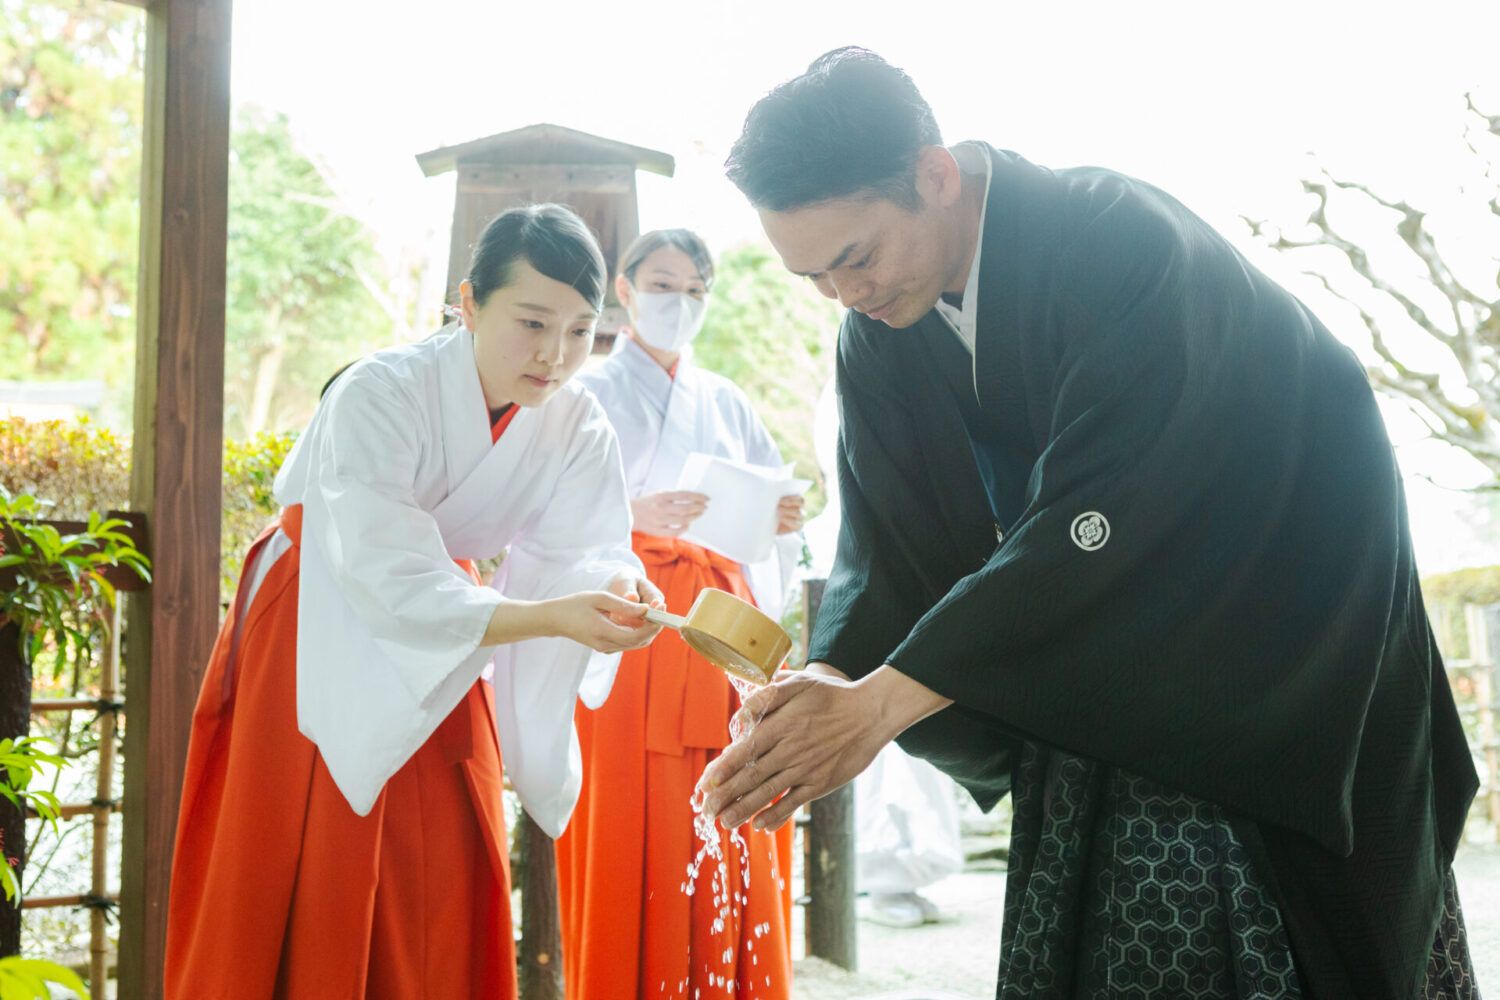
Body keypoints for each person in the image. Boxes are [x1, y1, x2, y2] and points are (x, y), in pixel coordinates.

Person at [700, 48, 1481, 999]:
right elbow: (887, 540)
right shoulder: (881, 330)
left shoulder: (1120, 239)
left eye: (855, 258)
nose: (846, 295)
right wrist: (830, 684)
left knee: (1276, 930)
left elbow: (1111, 506)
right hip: (1102, 650)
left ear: (934, 174)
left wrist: (881, 705)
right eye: (814, 277)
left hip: (1289, 645)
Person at [165, 204, 664, 999]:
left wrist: (618, 586)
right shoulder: (380, 391)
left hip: (451, 615)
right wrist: (546, 617)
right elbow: (384, 567)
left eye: (579, 331)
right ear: (468, 302)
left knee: (446, 830)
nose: (555, 355)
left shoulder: (578, 421)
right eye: (531, 322)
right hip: (320, 602)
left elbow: (585, 551)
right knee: (313, 837)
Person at [554, 229, 801, 1000]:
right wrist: (633, 509)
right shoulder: (585, 392)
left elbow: (763, 502)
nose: (680, 303)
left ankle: (735, 981)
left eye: (696, 290)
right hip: (634, 627)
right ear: (623, 291)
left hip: (724, 622)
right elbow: (542, 513)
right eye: (664, 285)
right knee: (635, 814)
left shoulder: (724, 398)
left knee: (739, 793)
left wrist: (780, 517)